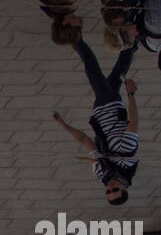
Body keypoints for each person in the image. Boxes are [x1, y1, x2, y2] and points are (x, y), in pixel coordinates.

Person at [52, 38, 140, 204]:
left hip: (99, 110)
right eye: (115, 190)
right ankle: (75, 38)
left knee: (116, 76)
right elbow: (133, 122)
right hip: (110, 104)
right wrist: (131, 94)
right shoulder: (126, 155)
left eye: (108, 191)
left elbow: (86, 141)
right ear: (124, 188)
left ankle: (131, 44)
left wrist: (64, 125)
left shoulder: (103, 174)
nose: (110, 187)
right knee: (92, 71)